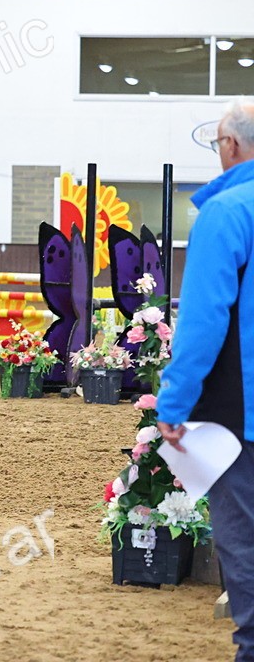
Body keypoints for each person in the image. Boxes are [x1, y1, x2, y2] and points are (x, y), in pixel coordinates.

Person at [157, 98, 254, 661]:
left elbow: (203, 322)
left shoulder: (226, 212)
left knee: (243, 552)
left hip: (238, 417)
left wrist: (173, 403)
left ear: (231, 147)